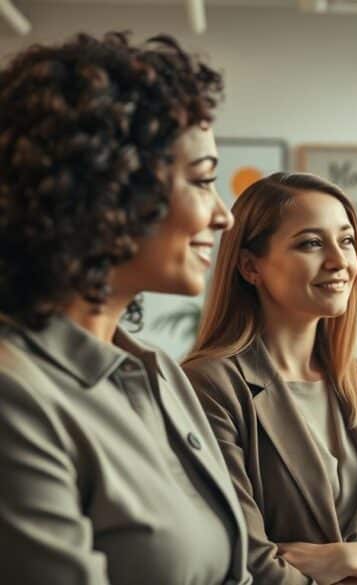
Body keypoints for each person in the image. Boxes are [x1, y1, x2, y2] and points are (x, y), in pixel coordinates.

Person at [0, 32, 252, 584]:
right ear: (111, 188)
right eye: (203, 181)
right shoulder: (15, 396)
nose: (224, 216)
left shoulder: (161, 375)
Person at [182, 172, 357, 585]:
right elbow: (250, 562)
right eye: (311, 243)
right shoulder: (211, 386)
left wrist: (346, 560)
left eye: (346, 240)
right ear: (249, 266)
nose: (339, 260)